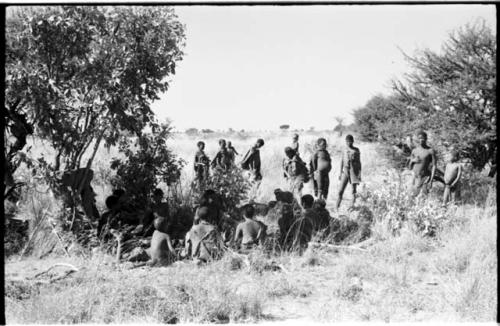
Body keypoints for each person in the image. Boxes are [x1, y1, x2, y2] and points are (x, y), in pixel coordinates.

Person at [336, 135, 362, 210]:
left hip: (353, 171)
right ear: (345, 142)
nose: (348, 143)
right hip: (345, 171)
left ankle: (351, 208)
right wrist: (340, 172)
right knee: (340, 191)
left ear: (352, 141)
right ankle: (336, 208)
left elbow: (359, 162)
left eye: (350, 141)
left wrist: (359, 174)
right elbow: (342, 160)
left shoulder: (356, 150)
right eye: (347, 142)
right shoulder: (344, 149)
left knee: (353, 191)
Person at [409, 130, 437, 198]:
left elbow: (434, 166)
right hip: (415, 178)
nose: (421, 140)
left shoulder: (430, 151)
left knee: (424, 197)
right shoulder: (414, 151)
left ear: (426, 139)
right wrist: (413, 161)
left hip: (425, 177)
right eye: (419, 138)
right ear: (417, 139)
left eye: (423, 138)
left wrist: (431, 180)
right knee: (412, 197)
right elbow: (409, 167)